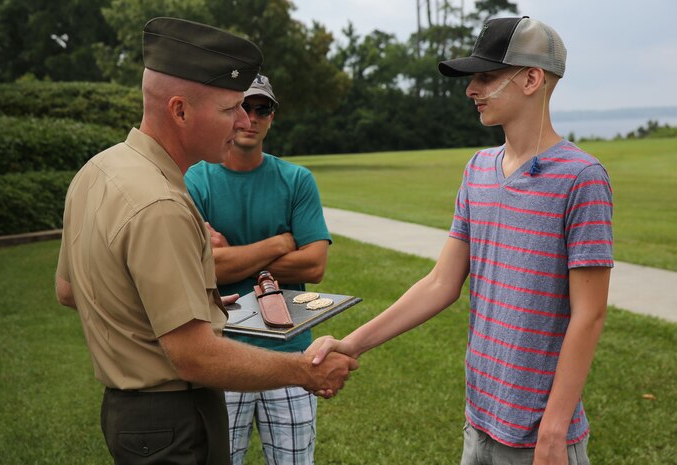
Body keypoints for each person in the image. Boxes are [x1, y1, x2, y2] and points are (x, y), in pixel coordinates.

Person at [54, 17, 357, 465]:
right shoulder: (161, 203)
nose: (241, 122)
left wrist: (177, 305)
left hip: (130, 416)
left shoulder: (98, 170)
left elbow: (68, 289)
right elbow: (195, 357)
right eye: (229, 108)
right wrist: (304, 371)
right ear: (180, 110)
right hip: (175, 418)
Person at [312, 16, 613, 465]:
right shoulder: (477, 170)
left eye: (486, 77)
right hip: (480, 421)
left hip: (539, 438)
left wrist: (552, 432)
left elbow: (588, 315)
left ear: (532, 79)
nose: (472, 90)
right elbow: (440, 284)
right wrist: (350, 344)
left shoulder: (582, 178)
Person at [184, 74, 331, 465]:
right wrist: (281, 243)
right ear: (226, 113)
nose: (250, 118)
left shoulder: (297, 180)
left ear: (271, 117)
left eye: (261, 108)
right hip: (222, 352)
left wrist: (232, 255)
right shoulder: (196, 179)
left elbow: (315, 264)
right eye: (240, 107)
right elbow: (199, 269)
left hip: (290, 352)